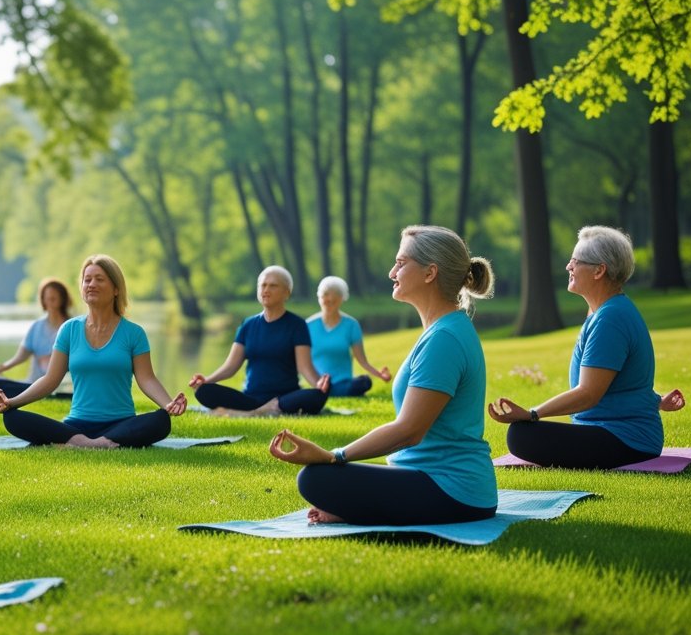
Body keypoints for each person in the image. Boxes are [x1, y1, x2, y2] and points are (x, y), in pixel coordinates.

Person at [268, 225, 498, 526]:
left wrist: (333, 455)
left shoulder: (445, 339)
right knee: (320, 478)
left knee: (315, 478)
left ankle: (358, 507)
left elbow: (409, 431)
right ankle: (358, 508)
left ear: (430, 273)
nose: (392, 272)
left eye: (401, 264)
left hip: (454, 490)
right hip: (434, 480)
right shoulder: (443, 331)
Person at [487, 226, 684, 469]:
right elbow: (621, 382)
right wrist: (656, 400)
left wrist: (532, 414)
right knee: (522, 434)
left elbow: (589, 393)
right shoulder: (605, 311)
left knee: (521, 435)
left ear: (599, 270)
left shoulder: (610, 319)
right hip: (619, 433)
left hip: (626, 440)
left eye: (575, 261)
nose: (569, 267)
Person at [0, 254, 187, 448]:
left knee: (161, 420)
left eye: (99, 279)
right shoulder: (69, 330)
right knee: (12, 418)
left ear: (116, 289)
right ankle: (92, 442)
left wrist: (168, 404)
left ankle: (88, 443)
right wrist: (12, 402)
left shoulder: (134, 333)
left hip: (121, 423)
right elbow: (50, 380)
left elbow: (147, 379)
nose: (91, 284)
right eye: (87, 279)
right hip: (77, 425)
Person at [188, 266, 331, 417]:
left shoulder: (297, 325)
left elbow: (304, 367)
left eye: (273, 285)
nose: (266, 290)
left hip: (284, 399)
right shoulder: (247, 325)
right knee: (204, 391)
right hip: (251, 398)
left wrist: (318, 384)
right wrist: (207, 380)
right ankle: (260, 410)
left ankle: (251, 413)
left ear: (286, 293)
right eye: (263, 285)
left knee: (318, 394)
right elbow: (230, 366)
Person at [0, 277, 73, 400]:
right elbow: (18, 358)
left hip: (63, 386)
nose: (50, 303)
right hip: (33, 384)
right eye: (47, 299)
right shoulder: (36, 327)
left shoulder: (72, 327)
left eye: (53, 299)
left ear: (62, 300)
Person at [306, 275, 393, 397]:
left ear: (342, 298)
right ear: (319, 297)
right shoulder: (308, 325)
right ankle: (327, 391)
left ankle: (336, 391)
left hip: (343, 382)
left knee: (364, 382)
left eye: (335, 295)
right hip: (317, 382)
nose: (329, 299)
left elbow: (362, 360)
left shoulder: (351, 325)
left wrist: (379, 374)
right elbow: (300, 360)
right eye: (325, 294)